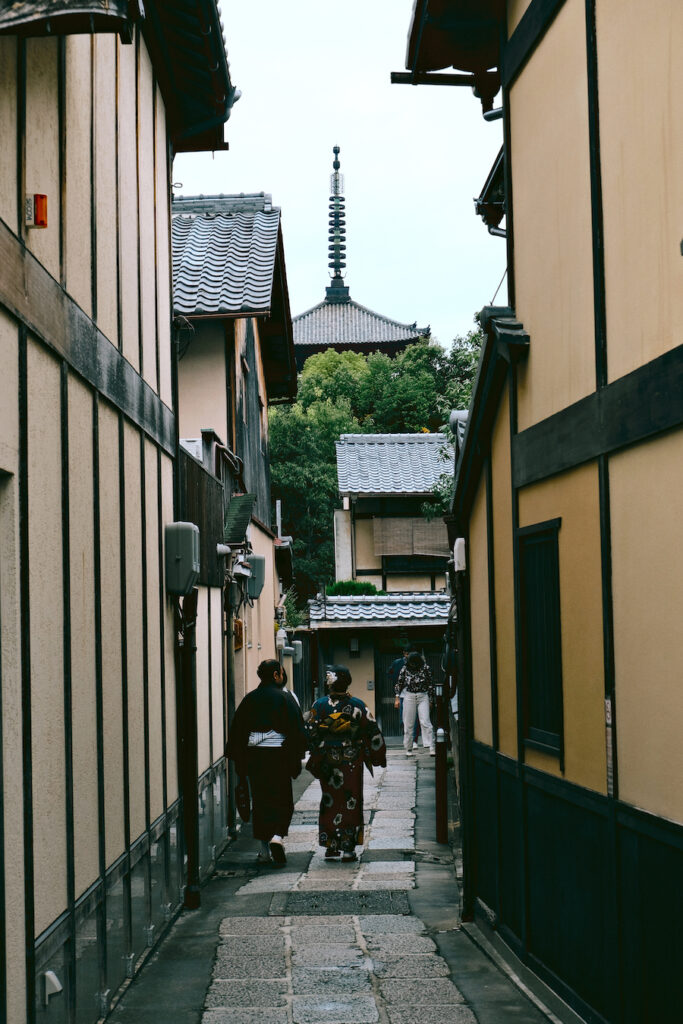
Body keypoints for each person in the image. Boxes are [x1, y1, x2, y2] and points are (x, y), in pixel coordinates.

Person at [226, 659, 307, 866]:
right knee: (283, 800)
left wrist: (242, 762)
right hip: (278, 756)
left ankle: (263, 851)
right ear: (275, 675)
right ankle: (277, 837)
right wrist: (294, 758)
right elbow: (297, 731)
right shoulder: (284, 698)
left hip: (255, 758)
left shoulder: (249, 700)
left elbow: (237, 733)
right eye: (281, 672)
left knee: (261, 803)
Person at [307, 665, 386, 862]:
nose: (326, 679)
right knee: (351, 800)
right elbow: (372, 731)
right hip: (351, 759)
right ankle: (348, 848)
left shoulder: (319, 705)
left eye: (329, 676)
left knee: (330, 799)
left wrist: (316, 749)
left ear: (334, 681)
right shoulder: (358, 705)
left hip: (327, 759)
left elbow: (311, 731)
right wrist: (378, 756)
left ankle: (331, 846)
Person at [394, 651, 435, 757]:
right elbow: (399, 683)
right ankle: (408, 748)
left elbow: (430, 684)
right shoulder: (405, 668)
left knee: (425, 721)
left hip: (423, 695)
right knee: (408, 724)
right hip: (409, 696)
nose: (412, 665)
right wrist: (397, 697)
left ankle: (431, 746)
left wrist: (431, 700)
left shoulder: (425, 668)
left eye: (414, 662)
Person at [388, 646, 420, 749]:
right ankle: (407, 738)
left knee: (414, 718)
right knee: (404, 718)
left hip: (415, 693)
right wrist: (396, 686)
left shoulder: (418, 663)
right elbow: (389, 674)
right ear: (404, 654)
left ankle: (414, 740)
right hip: (402, 694)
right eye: (408, 654)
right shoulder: (397, 663)